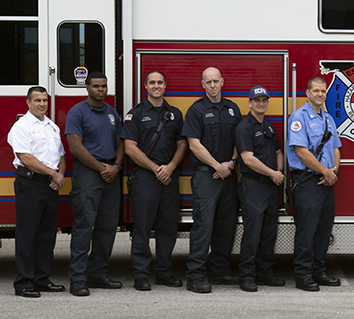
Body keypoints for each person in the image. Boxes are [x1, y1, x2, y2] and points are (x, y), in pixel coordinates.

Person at [121, 70, 187, 291]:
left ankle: (164, 273)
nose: (156, 86)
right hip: (146, 177)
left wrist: (169, 168)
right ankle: (140, 275)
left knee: (168, 227)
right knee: (142, 226)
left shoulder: (175, 114)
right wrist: (155, 168)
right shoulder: (135, 114)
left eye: (160, 82)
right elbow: (129, 147)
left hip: (169, 175)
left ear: (165, 85)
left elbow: (182, 145)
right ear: (145, 86)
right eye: (152, 83)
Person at [182, 67, 242, 294]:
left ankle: (219, 270)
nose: (213, 85)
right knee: (203, 226)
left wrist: (231, 163)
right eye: (208, 82)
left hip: (228, 173)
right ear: (203, 84)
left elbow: (240, 138)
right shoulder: (196, 110)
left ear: (222, 82)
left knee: (226, 225)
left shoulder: (233, 109)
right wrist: (217, 166)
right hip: (207, 175)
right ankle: (195, 276)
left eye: (216, 81)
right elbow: (194, 144)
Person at [65, 71, 125, 297]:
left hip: (111, 173)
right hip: (89, 174)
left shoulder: (112, 113)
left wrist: (116, 166)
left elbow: (120, 142)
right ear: (87, 88)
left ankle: (98, 274)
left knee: (107, 227)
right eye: (96, 86)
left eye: (104, 86)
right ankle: (78, 279)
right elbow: (75, 147)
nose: (101, 89)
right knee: (84, 226)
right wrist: (102, 168)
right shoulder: (77, 112)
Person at [7, 86, 66, 298]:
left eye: (45, 100)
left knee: (47, 235)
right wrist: (54, 174)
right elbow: (25, 158)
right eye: (38, 100)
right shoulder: (21, 127)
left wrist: (59, 176)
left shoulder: (52, 127)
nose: (42, 104)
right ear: (28, 103)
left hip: (50, 186)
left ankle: (41, 279)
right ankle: (23, 283)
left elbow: (61, 155)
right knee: (27, 235)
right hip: (30, 184)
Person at [287, 76, 342, 291]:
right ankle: (303, 275)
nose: (320, 94)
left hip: (327, 181)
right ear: (307, 93)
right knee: (306, 231)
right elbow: (301, 152)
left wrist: (333, 171)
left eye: (323, 91)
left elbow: (336, 147)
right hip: (308, 181)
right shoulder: (298, 117)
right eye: (316, 91)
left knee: (323, 230)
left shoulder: (328, 118)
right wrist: (325, 172)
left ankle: (319, 272)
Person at [236, 86, 286, 292]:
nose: (261, 103)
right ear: (249, 103)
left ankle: (265, 273)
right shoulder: (244, 127)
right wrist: (272, 174)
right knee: (252, 233)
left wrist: (279, 170)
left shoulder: (269, 127)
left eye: (264, 100)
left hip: (269, 186)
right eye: (257, 100)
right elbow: (248, 159)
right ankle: (247, 276)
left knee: (268, 232)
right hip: (253, 185)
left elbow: (278, 151)